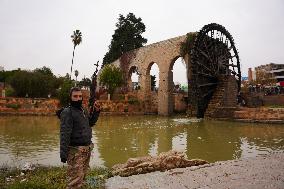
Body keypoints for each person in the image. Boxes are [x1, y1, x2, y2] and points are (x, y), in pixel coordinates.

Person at [59, 87, 100, 188]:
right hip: (75, 151)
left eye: (80, 96)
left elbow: (90, 123)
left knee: (82, 178)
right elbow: (64, 133)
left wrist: (96, 111)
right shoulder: (67, 112)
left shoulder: (83, 109)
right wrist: (63, 153)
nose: (78, 99)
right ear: (70, 97)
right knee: (74, 182)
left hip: (86, 150)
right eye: (75, 96)